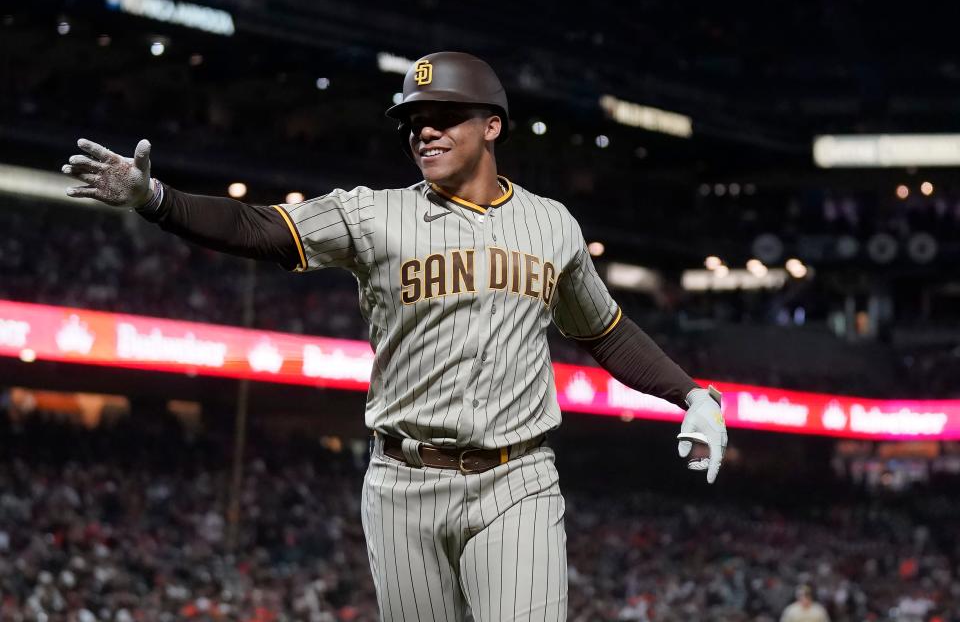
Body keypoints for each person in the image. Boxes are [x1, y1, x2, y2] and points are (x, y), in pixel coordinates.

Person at [61, 51, 727, 621]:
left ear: (492, 125)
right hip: (401, 483)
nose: (425, 132)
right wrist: (156, 200)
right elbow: (261, 229)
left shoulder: (552, 225)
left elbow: (604, 331)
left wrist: (693, 395)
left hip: (516, 478)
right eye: (413, 121)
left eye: (444, 117)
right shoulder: (374, 214)